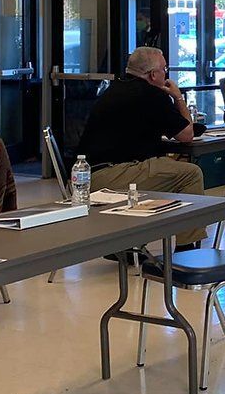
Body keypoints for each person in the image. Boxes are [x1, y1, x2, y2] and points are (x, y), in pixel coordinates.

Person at [77, 46, 204, 246]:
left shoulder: (115, 89)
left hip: (86, 175)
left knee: (165, 166)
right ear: (154, 75)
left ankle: (126, 244)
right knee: (190, 174)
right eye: (164, 70)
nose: (166, 74)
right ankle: (187, 248)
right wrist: (177, 97)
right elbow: (186, 135)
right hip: (112, 176)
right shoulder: (152, 96)